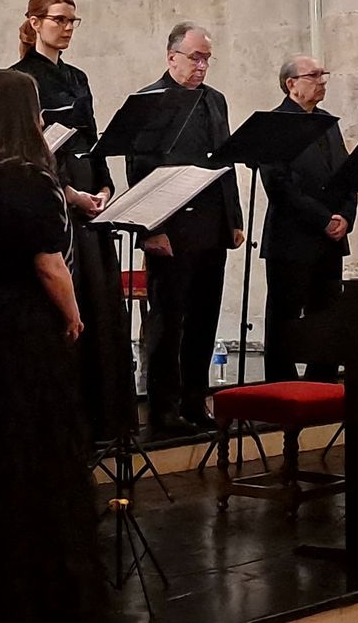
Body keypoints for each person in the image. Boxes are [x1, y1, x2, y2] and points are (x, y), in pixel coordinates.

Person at [0, 69, 107, 623]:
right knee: (40, 452)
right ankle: (44, 581)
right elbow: (48, 264)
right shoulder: (27, 177)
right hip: (25, 324)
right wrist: (73, 315)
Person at [10, 0, 133, 442]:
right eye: (58, 20)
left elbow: (92, 138)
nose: (65, 28)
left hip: (89, 198)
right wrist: (71, 194)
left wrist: (103, 186)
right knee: (72, 305)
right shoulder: (21, 78)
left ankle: (106, 418)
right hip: (55, 195)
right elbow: (33, 150)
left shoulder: (78, 77)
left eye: (71, 21)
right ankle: (73, 420)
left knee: (101, 306)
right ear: (35, 22)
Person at [128, 22, 244, 435]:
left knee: (203, 320)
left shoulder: (216, 101)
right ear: (171, 56)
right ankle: (163, 409)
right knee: (169, 320)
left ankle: (196, 402)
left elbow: (224, 163)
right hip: (171, 230)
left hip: (213, 227)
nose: (202, 66)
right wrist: (150, 229)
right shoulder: (149, 101)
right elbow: (140, 171)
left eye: (207, 58)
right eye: (195, 57)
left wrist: (235, 219)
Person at [260, 56, 356, 383]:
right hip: (292, 239)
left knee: (327, 317)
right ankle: (280, 387)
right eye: (314, 75)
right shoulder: (273, 124)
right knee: (285, 318)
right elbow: (280, 186)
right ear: (292, 84)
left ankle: (323, 385)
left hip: (330, 240)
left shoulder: (328, 121)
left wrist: (345, 217)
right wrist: (323, 219)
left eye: (323, 74)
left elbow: (346, 174)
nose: (322, 81)